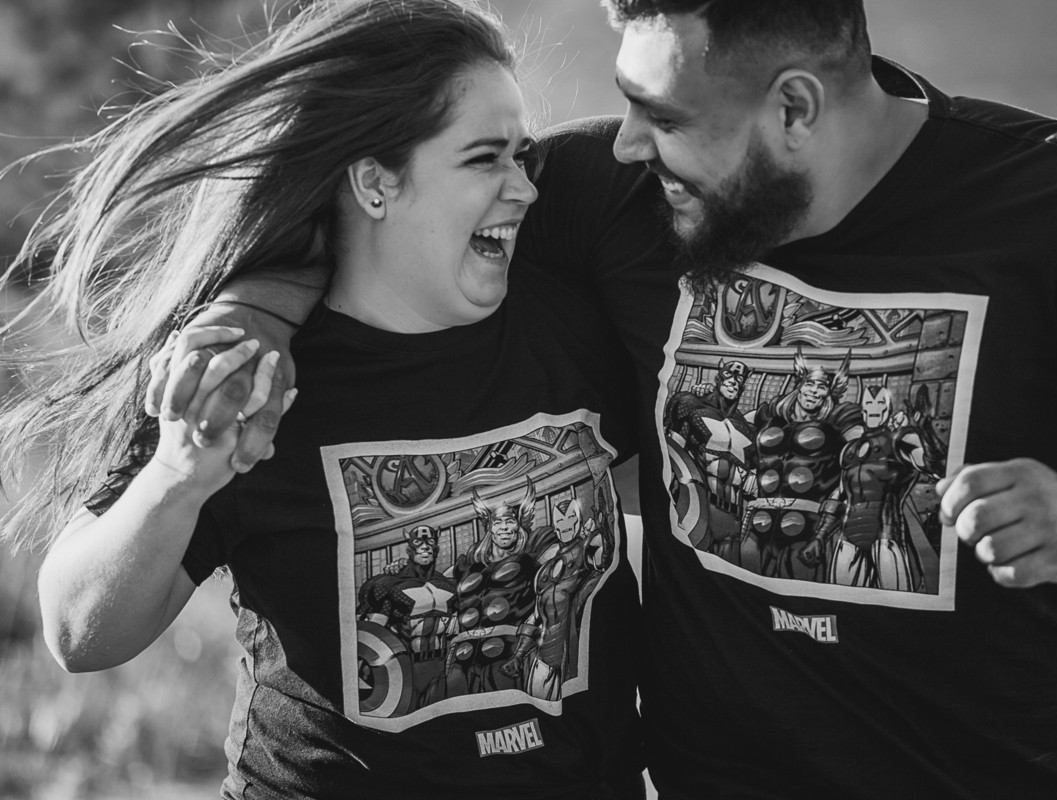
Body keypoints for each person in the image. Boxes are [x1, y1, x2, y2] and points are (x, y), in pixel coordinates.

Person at [142, 0, 1057, 798]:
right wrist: (251, 315)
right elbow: (376, 201)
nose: (624, 142)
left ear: (794, 107)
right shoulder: (623, 195)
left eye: (662, 114)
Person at [0, 1, 645, 797]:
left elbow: (665, 504)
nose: (524, 189)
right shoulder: (252, 373)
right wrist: (178, 475)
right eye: (485, 160)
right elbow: (77, 633)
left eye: (524, 156)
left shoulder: (571, 330)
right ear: (375, 182)